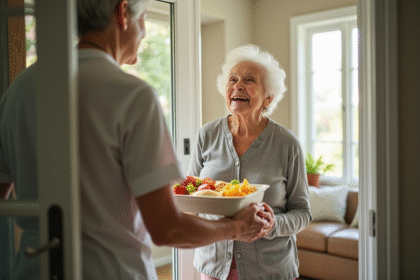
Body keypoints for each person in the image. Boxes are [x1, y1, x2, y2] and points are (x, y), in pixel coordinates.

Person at [0, 1, 274, 279]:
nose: (143, 32)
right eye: (142, 19)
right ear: (122, 13)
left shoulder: (18, 90)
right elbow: (168, 229)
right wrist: (237, 227)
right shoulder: (132, 95)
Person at [188, 44, 313, 280]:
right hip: (213, 267)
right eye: (232, 80)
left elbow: (303, 213)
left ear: (268, 97)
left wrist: (272, 224)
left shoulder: (287, 143)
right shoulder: (207, 134)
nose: (238, 86)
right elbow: (191, 194)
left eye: (249, 80)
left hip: (270, 270)